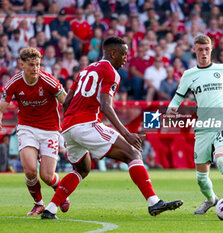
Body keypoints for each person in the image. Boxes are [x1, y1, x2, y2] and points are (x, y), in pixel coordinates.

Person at [41, 37, 183, 220]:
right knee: (133, 153)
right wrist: (127, 134)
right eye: (123, 54)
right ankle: (153, 202)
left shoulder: (86, 70)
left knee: (81, 170)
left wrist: (68, 126)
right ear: (112, 53)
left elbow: (67, 101)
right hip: (87, 124)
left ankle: (50, 209)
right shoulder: (111, 72)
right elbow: (106, 106)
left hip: (69, 127)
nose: (126, 58)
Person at [167, 35, 223, 216]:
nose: (204, 53)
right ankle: (212, 199)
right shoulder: (189, 75)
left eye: (207, 49)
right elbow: (178, 97)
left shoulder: (222, 69)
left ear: (211, 49)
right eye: (200, 49)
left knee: (222, 161)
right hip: (203, 127)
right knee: (201, 178)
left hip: (222, 123)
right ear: (194, 50)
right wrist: (171, 108)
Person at [0, 47, 69, 215]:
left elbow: (66, 102)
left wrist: (70, 126)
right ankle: (39, 203)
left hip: (50, 129)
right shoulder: (15, 81)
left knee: (47, 175)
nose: (35, 69)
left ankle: (60, 191)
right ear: (21, 64)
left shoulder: (48, 80)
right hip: (27, 128)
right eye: (31, 65)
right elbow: (2, 106)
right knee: (30, 170)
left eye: (38, 64)